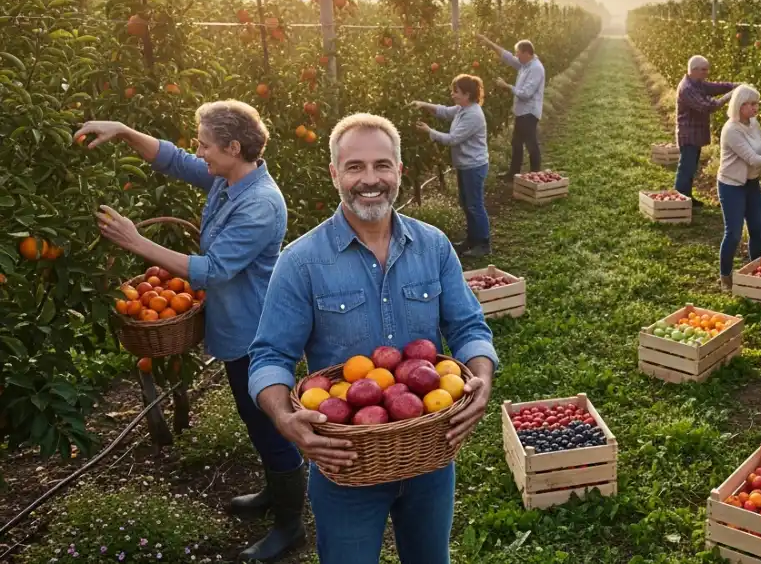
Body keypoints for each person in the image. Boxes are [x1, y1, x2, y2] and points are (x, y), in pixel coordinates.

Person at [247, 113, 498, 564]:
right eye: (355, 167)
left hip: (429, 453)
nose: (370, 180)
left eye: (382, 165)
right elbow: (270, 355)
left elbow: (468, 327)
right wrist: (284, 418)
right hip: (345, 460)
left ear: (399, 172)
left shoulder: (434, 246)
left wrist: (480, 380)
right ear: (335, 174)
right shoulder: (300, 262)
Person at [75, 102, 305, 562]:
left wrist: (136, 242)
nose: (198, 152)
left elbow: (214, 270)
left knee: (268, 423)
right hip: (235, 322)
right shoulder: (230, 177)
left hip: (256, 331)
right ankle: (273, 492)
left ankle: (290, 527)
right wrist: (122, 128)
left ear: (233, 147)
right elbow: (174, 160)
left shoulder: (259, 204)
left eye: (205, 145)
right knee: (253, 417)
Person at [716, 85, 761, 290]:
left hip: (751, 183)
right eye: (753, 104)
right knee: (734, 233)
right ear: (741, 104)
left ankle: (756, 273)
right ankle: (726, 277)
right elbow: (753, 158)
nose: (757, 108)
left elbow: (759, 151)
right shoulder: (731, 130)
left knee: (757, 229)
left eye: (757, 103)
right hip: (732, 185)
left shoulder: (753, 123)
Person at [412, 74, 491, 257]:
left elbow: (453, 139)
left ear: (467, 95)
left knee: (474, 204)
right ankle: (472, 239)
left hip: (474, 166)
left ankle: (483, 243)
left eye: (456, 92)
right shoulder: (463, 109)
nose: (452, 94)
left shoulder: (473, 115)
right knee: (466, 203)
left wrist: (428, 131)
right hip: (466, 165)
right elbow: (445, 111)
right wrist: (424, 104)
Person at [475, 33, 544, 179]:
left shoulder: (536, 69)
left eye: (518, 53)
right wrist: (489, 43)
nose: (516, 56)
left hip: (529, 113)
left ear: (526, 53)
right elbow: (507, 57)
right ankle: (514, 173)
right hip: (522, 112)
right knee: (516, 143)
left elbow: (526, 93)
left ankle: (536, 176)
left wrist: (507, 86)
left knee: (531, 144)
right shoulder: (525, 65)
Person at [675, 55, 737, 207]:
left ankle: (686, 198)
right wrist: (730, 96)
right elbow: (708, 106)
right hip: (689, 134)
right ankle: (681, 200)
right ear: (694, 70)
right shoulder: (687, 88)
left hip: (694, 134)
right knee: (686, 168)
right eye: (703, 70)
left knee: (690, 167)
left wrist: (734, 85)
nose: (706, 73)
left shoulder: (697, 83)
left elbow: (714, 87)